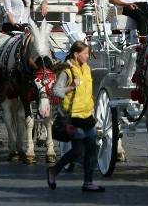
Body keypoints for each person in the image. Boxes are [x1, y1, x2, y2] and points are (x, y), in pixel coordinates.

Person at [47, 41, 104, 192]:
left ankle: (88, 182)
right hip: (72, 118)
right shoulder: (67, 71)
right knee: (78, 150)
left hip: (87, 116)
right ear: (76, 55)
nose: (87, 56)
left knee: (91, 149)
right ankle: (53, 171)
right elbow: (56, 91)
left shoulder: (87, 69)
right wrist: (71, 86)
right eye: (85, 53)